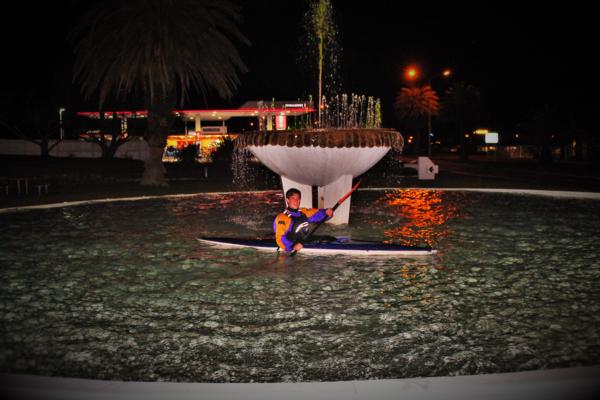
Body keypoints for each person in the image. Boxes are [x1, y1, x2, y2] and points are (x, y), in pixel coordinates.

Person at [273, 188, 334, 252]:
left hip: (304, 240)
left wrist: (326, 212)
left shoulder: (303, 212)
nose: (296, 201)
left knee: (330, 239)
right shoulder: (282, 218)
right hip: (291, 244)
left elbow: (317, 214)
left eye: (298, 198)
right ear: (288, 200)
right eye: (293, 198)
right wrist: (293, 246)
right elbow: (280, 237)